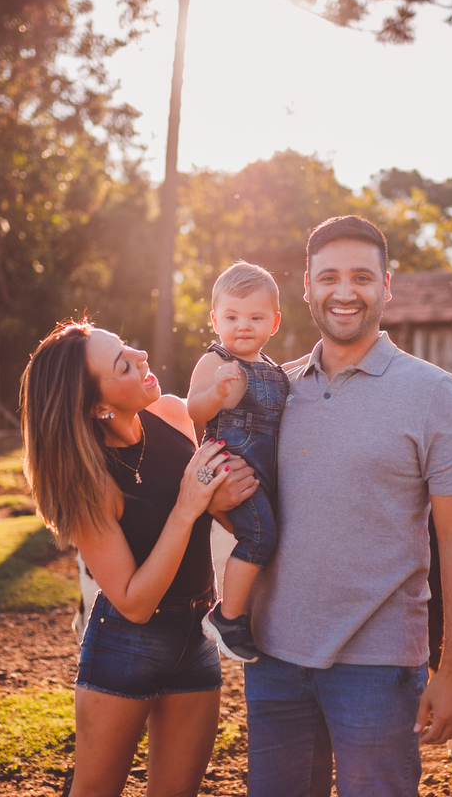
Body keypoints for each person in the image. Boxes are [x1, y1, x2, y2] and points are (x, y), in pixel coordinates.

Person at [245, 215, 452, 796]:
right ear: (306, 286)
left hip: (378, 670)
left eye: (361, 277)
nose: (344, 292)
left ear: (385, 286)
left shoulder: (432, 392)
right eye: (329, 277)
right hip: (273, 661)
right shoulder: (274, 389)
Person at [20, 321, 258, 797]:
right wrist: (189, 507)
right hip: (127, 646)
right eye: (124, 364)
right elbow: (132, 602)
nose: (143, 356)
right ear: (98, 406)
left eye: (129, 347)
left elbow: (226, 518)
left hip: (196, 635)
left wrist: (221, 503)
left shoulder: (173, 415)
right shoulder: (89, 481)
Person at [187, 261, 289, 664]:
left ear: (274, 323)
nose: (242, 325)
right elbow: (196, 410)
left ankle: (247, 611)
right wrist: (216, 391)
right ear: (215, 320)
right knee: (260, 537)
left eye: (255, 317)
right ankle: (228, 615)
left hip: (264, 469)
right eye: (231, 316)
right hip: (231, 466)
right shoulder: (215, 362)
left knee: (271, 534)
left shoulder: (275, 371)